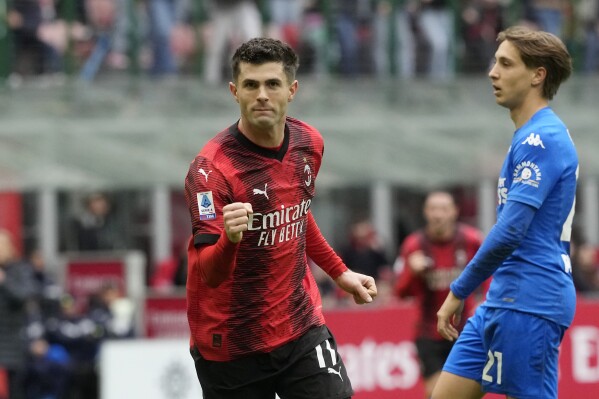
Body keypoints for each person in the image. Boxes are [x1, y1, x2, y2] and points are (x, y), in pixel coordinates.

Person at [184, 37, 377, 398]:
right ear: (233, 91)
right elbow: (209, 272)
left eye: (272, 84)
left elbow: (298, 214)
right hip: (230, 346)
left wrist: (340, 272)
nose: (262, 94)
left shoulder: (309, 143)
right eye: (251, 85)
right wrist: (230, 237)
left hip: (299, 325)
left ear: (291, 89)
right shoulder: (209, 172)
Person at [433, 26, 578, 399]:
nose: (492, 72)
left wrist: (458, 289)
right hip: (503, 296)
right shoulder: (527, 135)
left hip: (532, 299)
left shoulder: (542, 138)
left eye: (505, 63)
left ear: (537, 75)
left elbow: (511, 230)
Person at [394, 190, 485, 398]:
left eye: (443, 209)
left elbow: (490, 276)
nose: (438, 215)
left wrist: (486, 301)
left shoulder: (471, 240)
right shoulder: (413, 245)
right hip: (428, 334)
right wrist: (411, 272)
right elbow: (400, 292)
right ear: (425, 212)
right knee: (436, 394)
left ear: (454, 212)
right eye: (433, 209)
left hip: (465, 331)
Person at [0, 229, 37, 399]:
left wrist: (4, 281)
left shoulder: (20, 269)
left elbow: (24, 296)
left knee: (15, 391)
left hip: (13, 344)